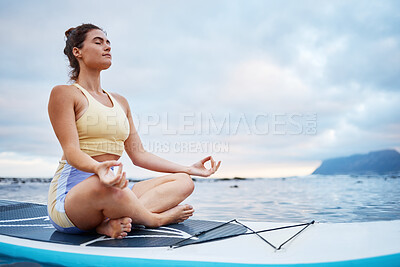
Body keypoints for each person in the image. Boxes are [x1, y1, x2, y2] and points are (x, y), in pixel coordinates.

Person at [47, 23, 221, 239]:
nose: (107, 47)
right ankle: (154, 219)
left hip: (113, 189)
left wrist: (189, 169)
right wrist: (98, 168)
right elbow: (71, 151)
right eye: (98, 42)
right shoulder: (64, 94)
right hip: (71, 201)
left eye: (108, 42)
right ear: (77, 51)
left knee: (183, 181)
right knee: (104, 186)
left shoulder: (120, 101)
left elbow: (139, 155)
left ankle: (112, 221)